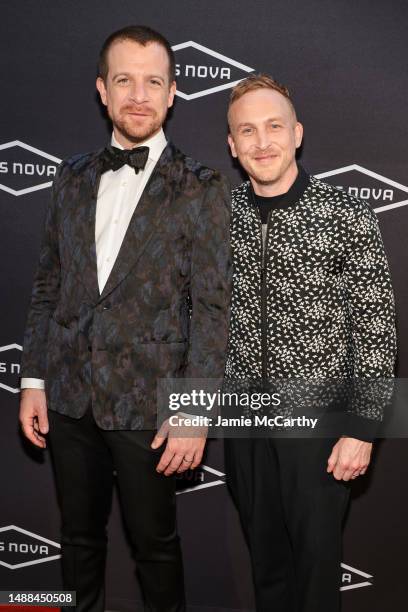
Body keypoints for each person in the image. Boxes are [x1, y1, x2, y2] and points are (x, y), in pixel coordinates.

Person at [19, 25, 231, 612]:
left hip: (149, 404)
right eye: (124, 81)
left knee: (155, 548)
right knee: (79, 541)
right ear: (102, 91)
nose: (138, 95)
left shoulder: (203, 187)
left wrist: (193, 410)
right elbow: (48, 284)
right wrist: (33, 380)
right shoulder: (71, 175)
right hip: (68, 396)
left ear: (171, 95)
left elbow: (215, 308)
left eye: (153, 82)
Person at [224, 74, 396, 612]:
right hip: (243, 417)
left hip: (321, 422)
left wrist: (362, 429)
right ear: (232, 146)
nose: (262, 142)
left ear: (297, 133)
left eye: (274, 126)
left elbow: (376, 328)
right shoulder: (215, 219)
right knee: (266, 566)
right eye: (247, 131)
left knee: (317, 572)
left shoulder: (347, 214)